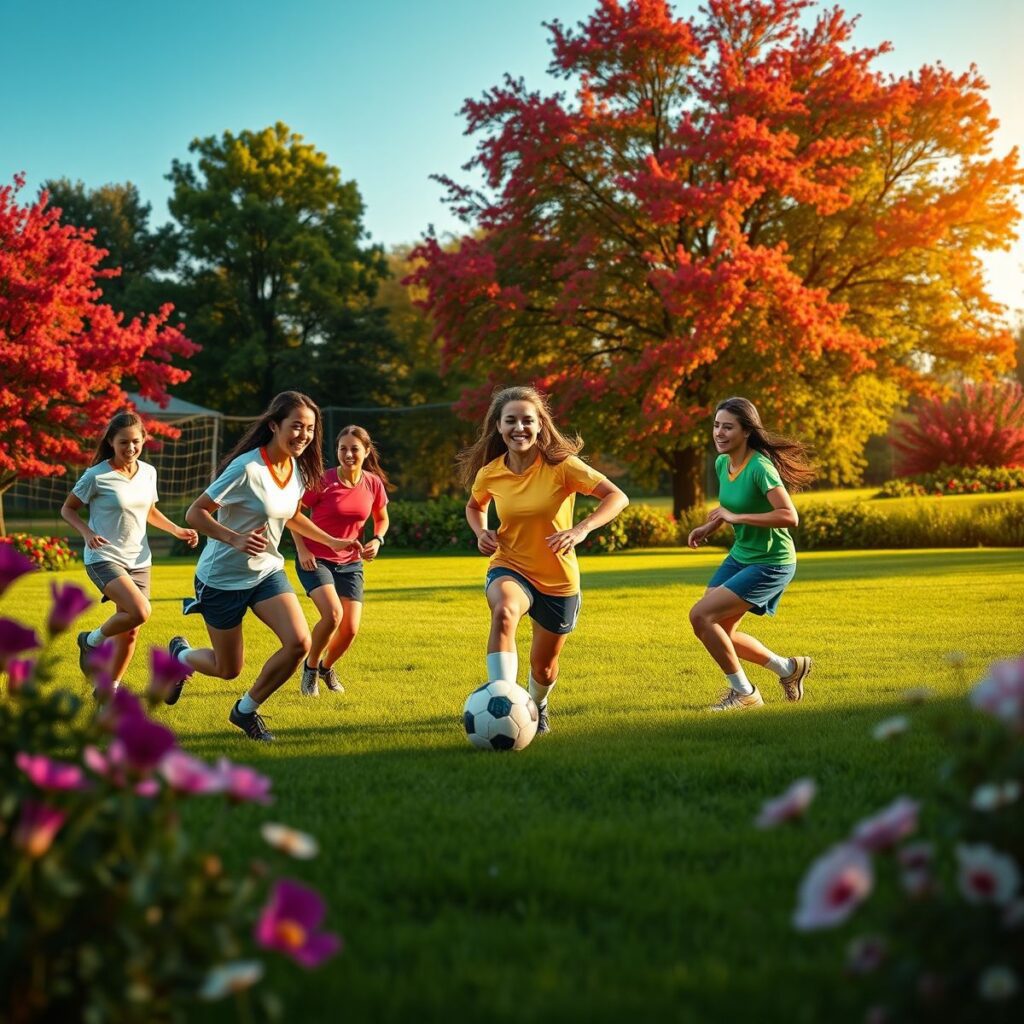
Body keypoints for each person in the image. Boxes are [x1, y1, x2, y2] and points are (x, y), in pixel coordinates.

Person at [166, 391, 361, 741]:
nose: (303, 434)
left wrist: (332, 542)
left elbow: (293, 516)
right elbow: (195, 513)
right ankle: (181, 657)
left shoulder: (298, 470)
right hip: (221, 579)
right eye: (296, 426)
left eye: (310, 428)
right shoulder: (247, 468)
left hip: (266, 573)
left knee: (299, 642)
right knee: (228, 669)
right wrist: (233, 538)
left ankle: (245, 711)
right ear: (274, 425)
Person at [461, 385, 628, 734]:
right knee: (504, 611)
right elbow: (475, 506)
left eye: (527, 421)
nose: (519, 428)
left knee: (544, 669)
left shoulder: (562, 466)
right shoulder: (490, 472)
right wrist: (481, 532)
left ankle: (536, 705)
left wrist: (581, 529)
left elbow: (616, 497)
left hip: (558, 579)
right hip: (510, 565)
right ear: (498, 426)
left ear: (540, 426)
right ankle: (504, 701)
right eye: (511, 421)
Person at [687, 396, 816, 712]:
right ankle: (789, 669)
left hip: (772, 562)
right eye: (716, 425)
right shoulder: (722, 463)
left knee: (701, 616)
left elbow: (789, 515)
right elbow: (731, 508)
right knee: (717, 629)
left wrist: (736, 519)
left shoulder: (760, 467)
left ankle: (745, 694)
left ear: (746, 431)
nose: (719, 433)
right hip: (741, 555)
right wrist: (710, 527)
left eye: (728, 427)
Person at [61, 411, 198, 692]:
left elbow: (150, 511)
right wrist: (87, 533)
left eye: (136, 442)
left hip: (139, 559)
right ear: (111, 442)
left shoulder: (148, 472)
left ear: (144, 440)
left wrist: (176, 530)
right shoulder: (96, 476)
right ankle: (91, 641)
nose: (130, 448)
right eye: (123, 442)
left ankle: (108, 690)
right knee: (140, 611)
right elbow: (68, 509)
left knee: (131, 629)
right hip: (104, 557)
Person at [291, 424, 391, 697]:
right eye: (342, 449)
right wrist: (302, 550)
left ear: (366, 451)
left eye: (354, 449)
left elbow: (381, 517)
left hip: (351, 562)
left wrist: (377, 540)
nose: (348, 454)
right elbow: (292, 513)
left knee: (350, 629)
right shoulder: (323, 480)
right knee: (333, 615)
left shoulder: (372, 482)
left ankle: (326, 667)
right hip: (316, 558)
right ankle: (310, 669)